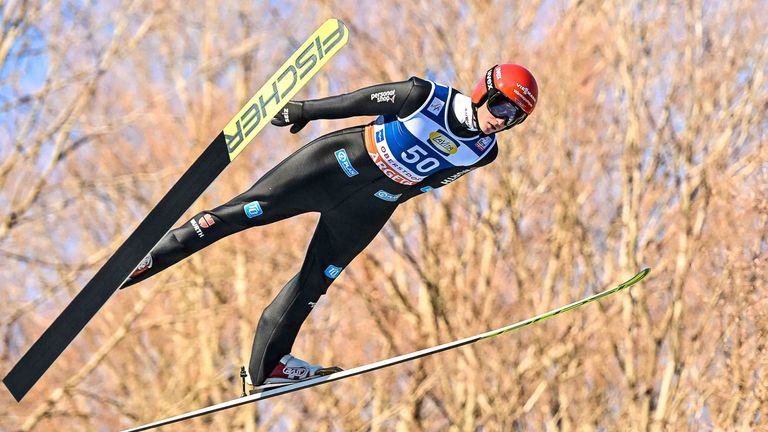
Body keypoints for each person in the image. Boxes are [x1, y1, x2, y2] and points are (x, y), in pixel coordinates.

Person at [121, 64, 539, 388]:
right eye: (503, 107)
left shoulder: (485, 153)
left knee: (315, 283)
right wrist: (304, 110)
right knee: (240, 213)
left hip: (370, 207)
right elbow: (359, 102)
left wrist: (389, 198)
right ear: (485, 91)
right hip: (335, 165)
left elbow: (429, 182)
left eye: (516, 118)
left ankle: (267, 367)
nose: (504, 120)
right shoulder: (425, 96)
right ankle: (145, 261)